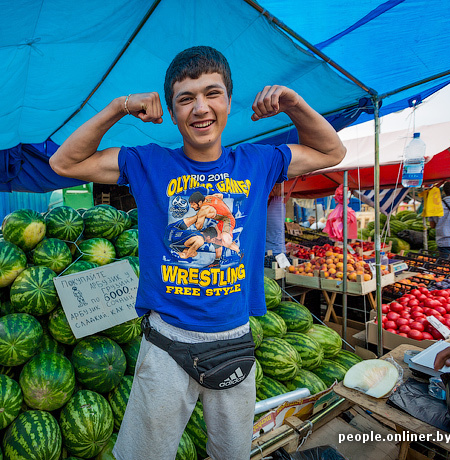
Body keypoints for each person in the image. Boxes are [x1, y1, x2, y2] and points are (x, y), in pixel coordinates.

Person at [49, 45, 346, 460]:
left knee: (232, 453)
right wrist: (119, 107)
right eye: (185, 99)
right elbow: (64, 162)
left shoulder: (257, 162)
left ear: (229, 101)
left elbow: (333, 153)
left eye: (212, 93)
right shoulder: (148, 163)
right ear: (172, 111)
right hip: (166, 344)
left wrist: (294, 104)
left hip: (233, 341)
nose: (200, 108)